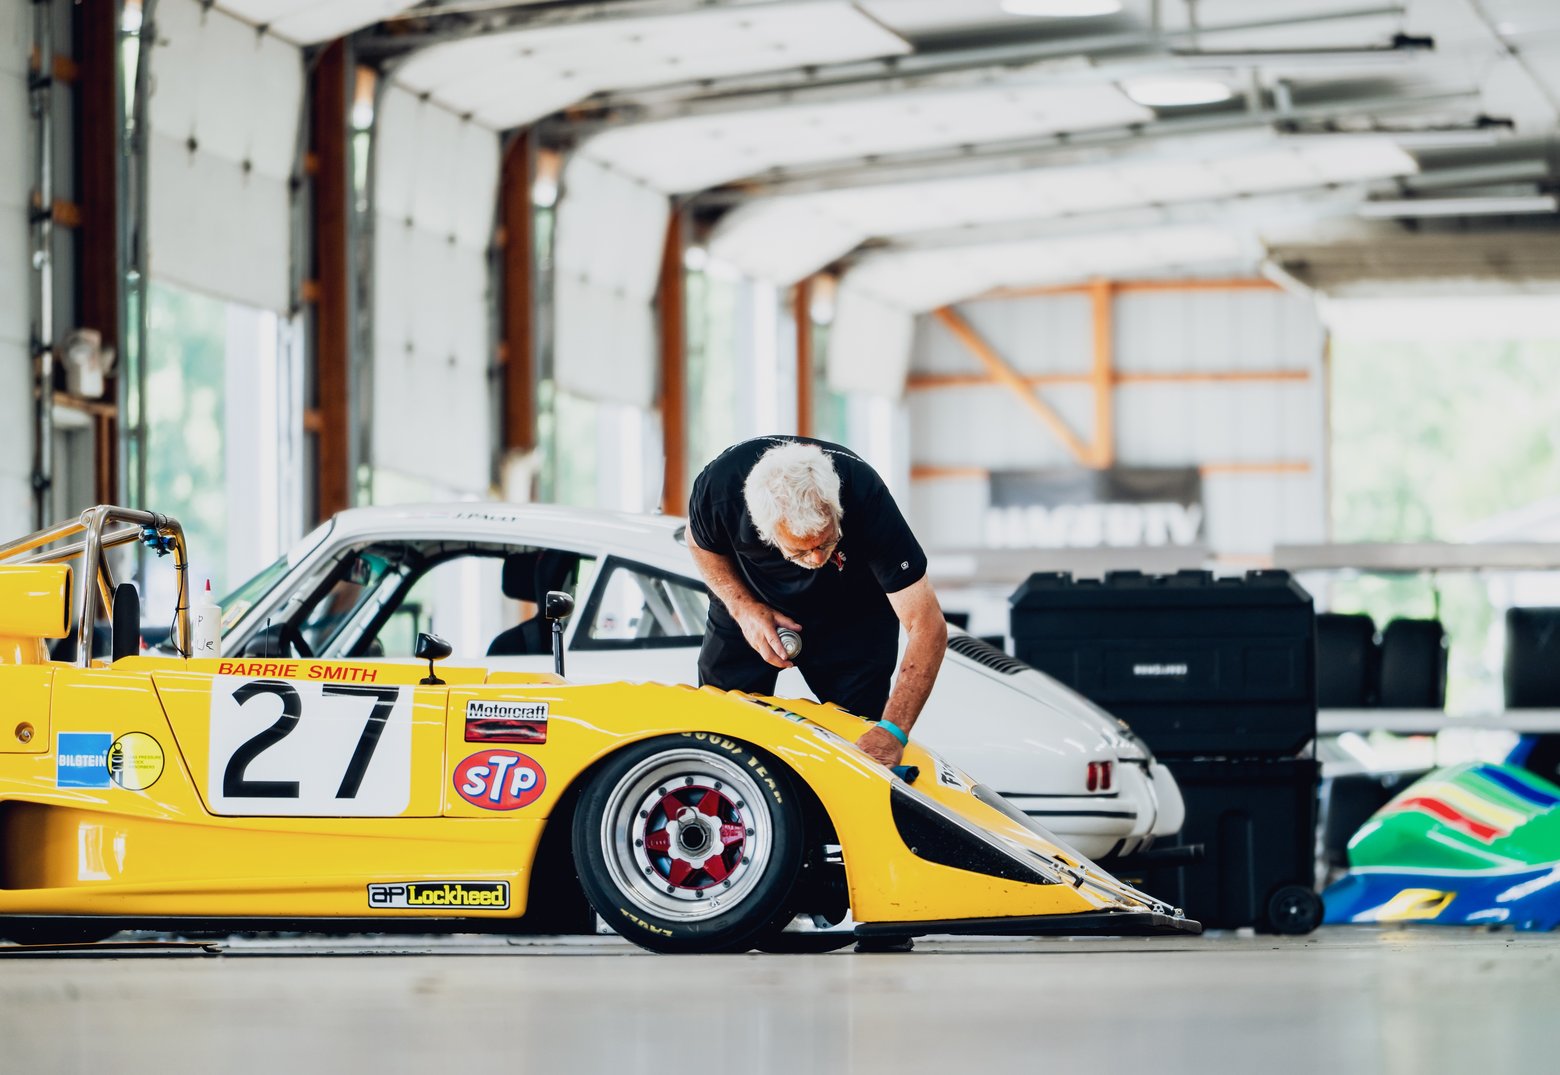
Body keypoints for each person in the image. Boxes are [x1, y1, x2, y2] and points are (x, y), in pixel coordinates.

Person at [687, 436, 946, 769]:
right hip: (752, 598)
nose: (816, 559)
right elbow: (699, 543)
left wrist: (893, 731)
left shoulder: (864, 494)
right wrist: (743, 608)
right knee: (722, 729)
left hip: (851, 609)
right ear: (765, 531)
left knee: (863, 747)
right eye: (800, 550)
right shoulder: (719, 491)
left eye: (826, 543)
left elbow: (927, 624)